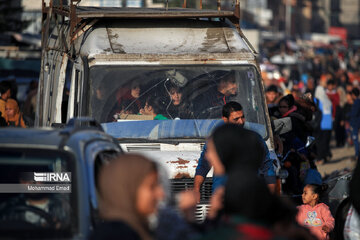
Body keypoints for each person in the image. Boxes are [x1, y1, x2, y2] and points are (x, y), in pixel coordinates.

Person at [193, 102, 277, 198]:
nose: (241, 122)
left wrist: (270, 195)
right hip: (223, 197)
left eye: (242, 117)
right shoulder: (215, 141)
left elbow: (267, 167)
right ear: (225, 119)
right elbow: (203, 166)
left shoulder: (254, 139)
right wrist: (196, 190)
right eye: (236, 119)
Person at [90, 154, 164, 240]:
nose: (161, 193)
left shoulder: (135, 228)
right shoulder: (116, 235)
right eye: (152, 186)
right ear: (129, 189)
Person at [349, 88, 360, 161]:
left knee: (355, 140)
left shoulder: (356, 102)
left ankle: (357, 155)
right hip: (357, 123)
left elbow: (354, 113)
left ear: (353, 95)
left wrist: (347, 115)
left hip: (355, 124)